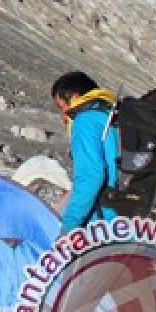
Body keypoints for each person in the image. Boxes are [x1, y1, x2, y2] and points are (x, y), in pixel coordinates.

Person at [51, 71, 120, 234]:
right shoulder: (111, 115)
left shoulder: (85, 121)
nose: (63, 116)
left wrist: (68, 227)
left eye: (62, 107)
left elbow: (91, 175)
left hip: (109, 224)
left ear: (74, 97)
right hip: (136, 216)